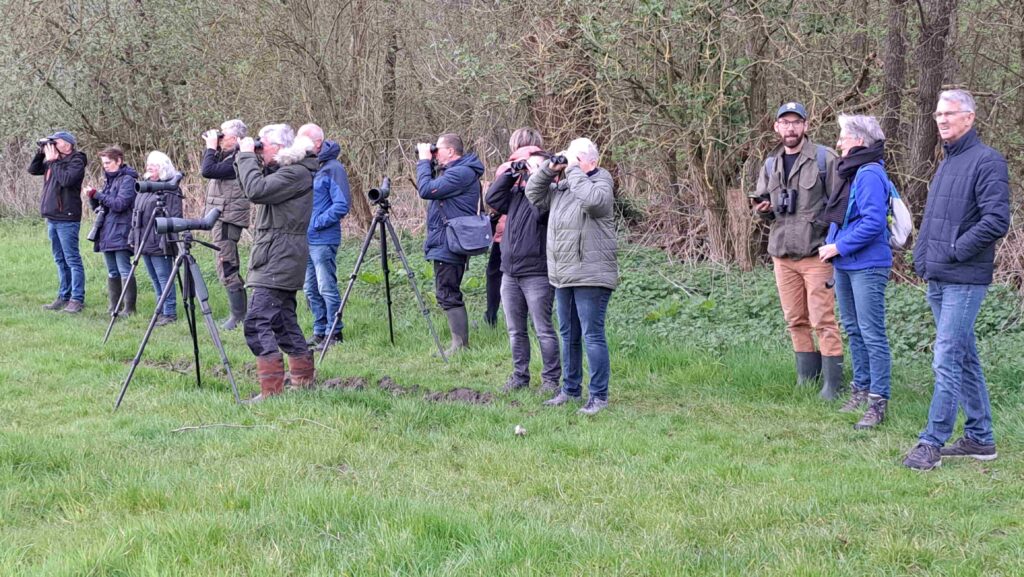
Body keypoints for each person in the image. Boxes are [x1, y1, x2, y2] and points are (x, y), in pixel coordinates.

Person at [903, 90, 1010, 471]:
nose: (942, 120)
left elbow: (996, 220)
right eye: (938, 114)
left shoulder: (987, 161)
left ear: (970, 117)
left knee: (946, 357)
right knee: (963, 357)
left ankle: (931, 442)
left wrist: (953, 250)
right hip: (939, 276)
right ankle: (981, 439)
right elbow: (935, 220)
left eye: (949, 114)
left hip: (965, 278)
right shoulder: (947, 162)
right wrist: (923, 256)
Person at [753, 102, 844, 399]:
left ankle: (832, 386)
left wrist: (829, 237)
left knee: (823, 321)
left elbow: (841, 204)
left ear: (805, 125)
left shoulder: (824, 159)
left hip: (816, 253)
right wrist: (763, 209)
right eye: (785, 123)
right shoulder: (771, 164)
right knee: (796, 320)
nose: (790, 128)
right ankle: (807, 379)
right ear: (776, 127)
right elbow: (763, 202)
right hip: (783, 253)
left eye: (796, 122)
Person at [525, 138, 617, 415]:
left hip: (591, 274)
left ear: (593, 161)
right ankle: (570, 389)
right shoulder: (562, 188)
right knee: (568, 334)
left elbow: (593, 203)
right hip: (563, 274)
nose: (571, 166)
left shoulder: (602, 182)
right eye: (570, 160)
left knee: (592, 335)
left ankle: (599, 396)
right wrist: (550, 168)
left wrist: (574, 169)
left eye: (577, 160)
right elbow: (533, 193)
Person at [817, 115, 893, 430]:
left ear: (859, 141)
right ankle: (860, 389)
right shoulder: (853, 172)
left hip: (868, 264)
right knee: (854, 329)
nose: (838, 143)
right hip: (846, 264)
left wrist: (838, 246)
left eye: (843, 138)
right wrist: (832, 245)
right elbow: (846, 216)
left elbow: (874, 222)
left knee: (872, 333)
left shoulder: (870, 173)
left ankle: (878, 401)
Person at [235, 124, 318, 403]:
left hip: (278, 256)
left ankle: (271, 392)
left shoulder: (295, 173)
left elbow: (255, 190)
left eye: (264, 145)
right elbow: (255, 184)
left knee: (257, 322)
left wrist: (247, 156)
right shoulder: (291, 171)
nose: (261, 148)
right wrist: (246, 155)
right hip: (280, 254)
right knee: (282, 320)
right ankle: (303, 381)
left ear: (280, 148)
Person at [484, 127, 560, 394]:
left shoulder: (547, 193)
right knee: (515, 331)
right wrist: (512, 172)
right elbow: (492, 199)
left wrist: (539, 173)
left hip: (537, 271)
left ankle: (551, 380)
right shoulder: (515, 193)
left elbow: (542, 211)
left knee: (543, 330)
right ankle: (519, 377)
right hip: (510, 271)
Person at [415, 133, 486, 354]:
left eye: (439, 149)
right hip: (446, 239)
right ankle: (459, 344)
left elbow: (426, 190)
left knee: (447, 291)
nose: (435, 153)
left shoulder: (462, 173)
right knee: (446, 290)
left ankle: (460, 345)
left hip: (451, 240)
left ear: (451, 151)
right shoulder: (456, 171)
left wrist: (424, 161)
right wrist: (431, 162)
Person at [296, 123, 350, 350]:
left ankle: (334, 333)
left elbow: (342, 204)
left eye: (303, 139)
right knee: (310, 288)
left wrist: (316, 223)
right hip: (304, 239)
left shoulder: (333, 168)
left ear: (317, 142)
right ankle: (319, 331)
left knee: (326, 285)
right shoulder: (305, 166)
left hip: (323, 238)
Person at [28, 131, 88, 313]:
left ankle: (77, 299)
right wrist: (41, 153)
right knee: (59, 259)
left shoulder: (76, 160)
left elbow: (67, 180)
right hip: (52, 217)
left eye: (57, 142)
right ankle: (64, 296)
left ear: (68, 144)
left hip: (67, 217)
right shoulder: (53, 160)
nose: (53, 144)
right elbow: (33, 170)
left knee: (72, 259)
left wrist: (54, 161)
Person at [201, 119, 250, 330]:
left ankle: (239, 316)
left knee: (227, 263)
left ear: (237, 138)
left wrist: (211, 148)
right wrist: (215, 147)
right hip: (221, 216)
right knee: (223, 263)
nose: (220, 138)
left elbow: (208, 170)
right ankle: (239, 314)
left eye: (224, 135)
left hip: (229, 218)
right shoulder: (228, 156)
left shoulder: (239, 159)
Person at [131, 151, 183, 327]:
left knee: (164, 276)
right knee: (154, 277)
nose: (149, 167)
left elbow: (175, 216)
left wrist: (169, 239)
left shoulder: (170, 187)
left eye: (154, 165)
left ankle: (170, 312)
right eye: (148, 164)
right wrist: (133, 236)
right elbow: (136, 214)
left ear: (162, 168)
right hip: (143, 239)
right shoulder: (145, 186)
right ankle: (160, 310)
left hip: (160, 239)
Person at [86, 146, 139, 317]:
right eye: (104, 163)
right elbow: (101, 207)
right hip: (107, 230)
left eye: (108, 163)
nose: (105, 166)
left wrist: (98, 195)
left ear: (119, 161)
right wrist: (92, 198)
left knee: (124, 269)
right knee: (112, 271)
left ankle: (129, 309)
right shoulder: (109, 180)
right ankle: (113, 307)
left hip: (122, 228)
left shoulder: (128, 180)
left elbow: (120, 204)